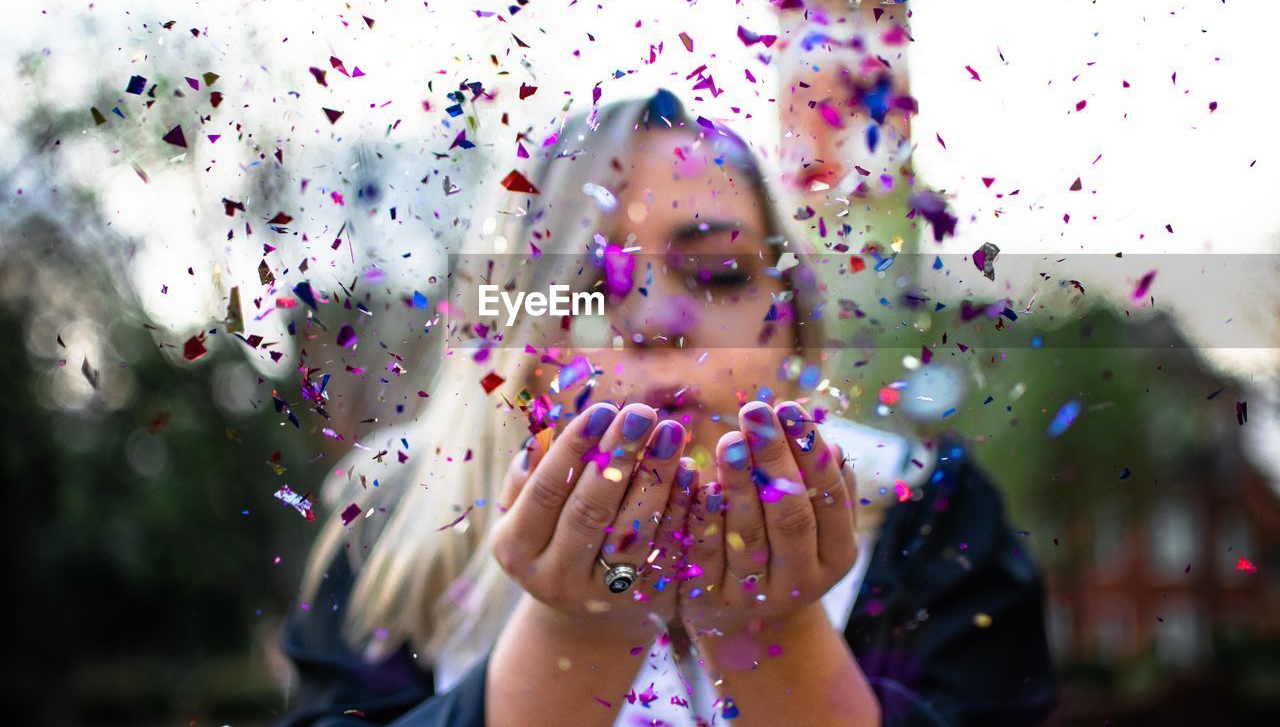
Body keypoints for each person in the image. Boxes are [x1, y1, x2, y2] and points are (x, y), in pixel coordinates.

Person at [274, 89, 1056, 726]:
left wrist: (770, 635)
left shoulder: (927, 508)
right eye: (592, 279)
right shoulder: (393, 515)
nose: (656, 319)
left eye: (716, 273)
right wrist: (577, 633)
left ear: (787, 321)